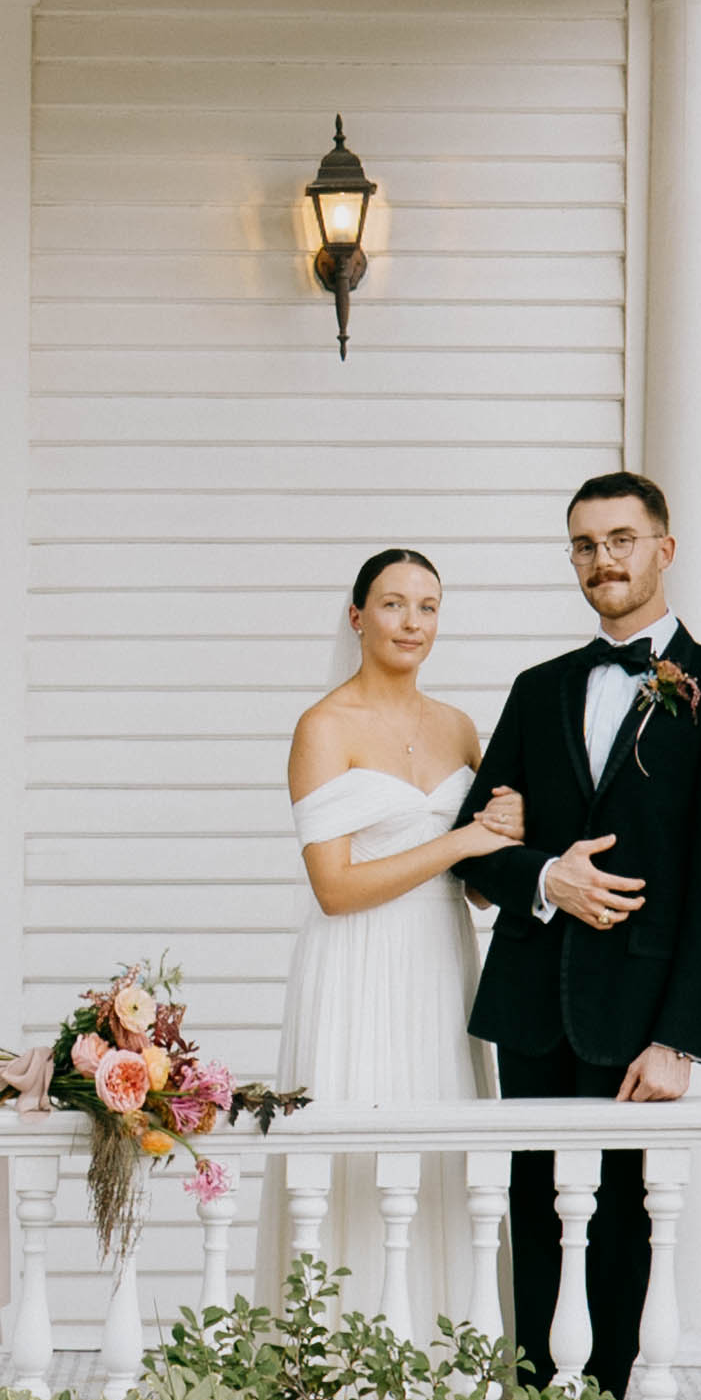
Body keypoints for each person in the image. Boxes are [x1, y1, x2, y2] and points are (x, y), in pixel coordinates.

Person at [458, 470, 701, 1400]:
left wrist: (680, 1039)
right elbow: (472, 846)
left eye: (619, 539)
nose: (601, 560)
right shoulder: (537, 692)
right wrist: (544, 876)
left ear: (664, 548)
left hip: (640, 1011)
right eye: (584, 545)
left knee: (622, 1224)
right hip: (533, 1002)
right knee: (533, 1214)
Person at [262, 544, 521, 1322]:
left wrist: (506, 832)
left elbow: (477, 888)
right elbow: (334, 890)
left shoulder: (458, 726)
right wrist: (461, 841)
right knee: (354, 1159)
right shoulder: (323, 726)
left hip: (441, 963)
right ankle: (340, 1372)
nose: (412, 621)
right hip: (355, 964)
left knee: (444, 1161)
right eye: (393, 603)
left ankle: (448, 1371)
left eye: (428, 606)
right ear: (357, 616)